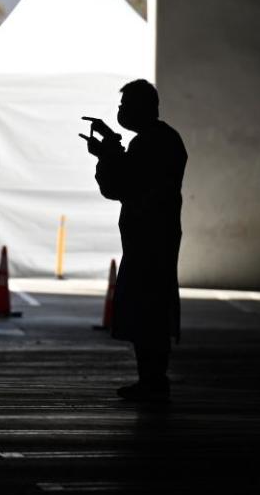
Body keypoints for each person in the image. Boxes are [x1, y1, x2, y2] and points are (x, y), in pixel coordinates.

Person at [80, 79, 187, 403]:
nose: (121, 112)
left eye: (125, 106)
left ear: (143, 107)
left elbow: (122, 186)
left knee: (146, 307)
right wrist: (113, 148)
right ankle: (152, 378)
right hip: (156, 235)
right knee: (150, 305)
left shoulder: (150, 144)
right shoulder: (164, 140)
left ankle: (152, 379)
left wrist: (108, 152)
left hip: (148, 238)